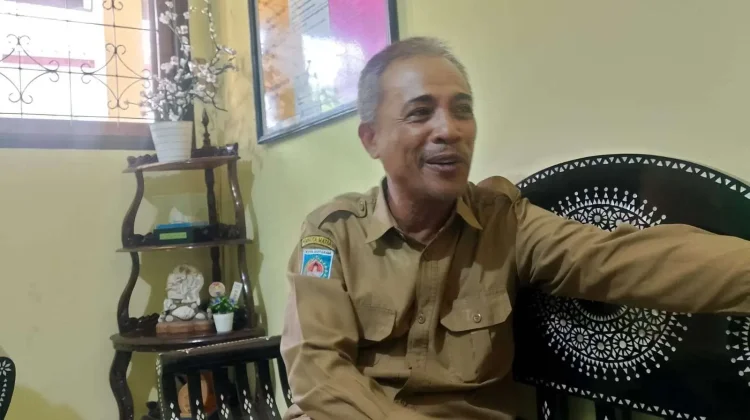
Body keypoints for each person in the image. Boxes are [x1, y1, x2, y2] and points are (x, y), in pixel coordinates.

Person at [279, 36, 750, 420]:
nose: (450, 130)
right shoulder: (331, 234)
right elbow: (318, 372)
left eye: (462, 109)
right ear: (371, 139)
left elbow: (624, 261)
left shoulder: (505, 221)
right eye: (420, 112)